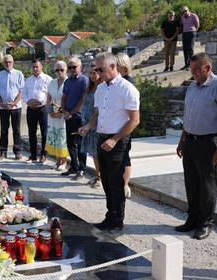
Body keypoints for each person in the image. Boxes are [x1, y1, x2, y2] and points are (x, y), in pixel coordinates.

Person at [175, 53, 217, 240]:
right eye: (191, 69)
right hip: (190, 141)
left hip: (209, 142)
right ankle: (192, 219)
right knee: (191, 182)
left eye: (196, 70)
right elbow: (188, 117)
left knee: (207, 185)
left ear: (208, 68)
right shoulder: (192, 87)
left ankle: (205, 223)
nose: (193, 73)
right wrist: (182, 141)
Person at [79, 53, 140, 231]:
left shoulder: (127, 88)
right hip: (102, 137)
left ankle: (117, 220)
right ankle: (109, 216)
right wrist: (88, 126)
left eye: (101, 69)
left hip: (117, 140)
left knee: (116, 181)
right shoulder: (100, 88)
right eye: (96, 69)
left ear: (113, 67)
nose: (97, 72)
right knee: (105, 179)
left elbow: (134, 120)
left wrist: (115, 139)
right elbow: (97, 114)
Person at [61, 56, 88, 180]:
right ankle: (74, 166)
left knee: (80, 144)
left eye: (74, 67)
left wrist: (71, 112)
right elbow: (64, 97)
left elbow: (83, 100)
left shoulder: (84, 81)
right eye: (70, 67)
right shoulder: (68, 81)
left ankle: (82, 169)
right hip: (69, 116)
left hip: (79, 117)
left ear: (80, 67)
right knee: (70, 143)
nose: (72, 69)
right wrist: (64, 110)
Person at [0, 54, 25, 161]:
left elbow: (21, 91)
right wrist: (1, 103)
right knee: (3, 130)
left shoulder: (19, 74)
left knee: (16, 130)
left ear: (13, 62)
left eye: (10, 62)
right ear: (3, 63)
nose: (8, 64)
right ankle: (3, 152)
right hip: (3, 107)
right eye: (6, 62)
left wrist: (14, 103)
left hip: (16, 107)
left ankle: (17, 152)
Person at [22, 59, 53, 163]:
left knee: (44, 133)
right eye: (33, 67)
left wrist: (40, 102)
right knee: (31, 133)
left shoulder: (48, 79)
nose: (35, 69)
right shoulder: (28, 80)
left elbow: (50, 94)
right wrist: (28, 102)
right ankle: (33, 155)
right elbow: (24, 93)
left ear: (41, 67)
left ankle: (43, 155)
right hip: (31, 109)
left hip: (43, 109)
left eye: (37, 66)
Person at [115, 52, 135, 198]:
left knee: (124, 156)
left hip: (125, 126)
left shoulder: (128, 83)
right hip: (116, 125)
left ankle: (125, 184)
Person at [46, 60, 69, 171]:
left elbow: (69, 99)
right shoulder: (52, 82)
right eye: (57, 70)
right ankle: (57, 160)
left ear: (66, 70)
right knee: (54, 136)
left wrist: (60, 112)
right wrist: (49, 110)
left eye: (61, 70)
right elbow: (49, 96)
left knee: (62, 136)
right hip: (52, 112)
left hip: (62, 113)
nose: (59, 72)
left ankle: (63, 161)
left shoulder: (68, 82)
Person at [81, 64, 102, 188]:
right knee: (93, 153)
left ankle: (101, 178)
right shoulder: (89, 88)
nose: (92, 76)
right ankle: (97, 175)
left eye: (94, 73)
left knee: (98, 152)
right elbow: (85, 104)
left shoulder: (102, 88)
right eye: (90, 73)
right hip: (88, 123)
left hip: (98, 124)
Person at [180, 6, 199, 70]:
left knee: (190, 49)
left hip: (191, 33)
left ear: (188, 10)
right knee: (185, 49)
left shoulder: (193, 16)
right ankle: (186, 65)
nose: (184, 12)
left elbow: (197, 25)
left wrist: (194, 31)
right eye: (183, 12)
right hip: (185, 33)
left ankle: (192, 65)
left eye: (185, 11)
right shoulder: (182, 17)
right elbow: (183, 25)